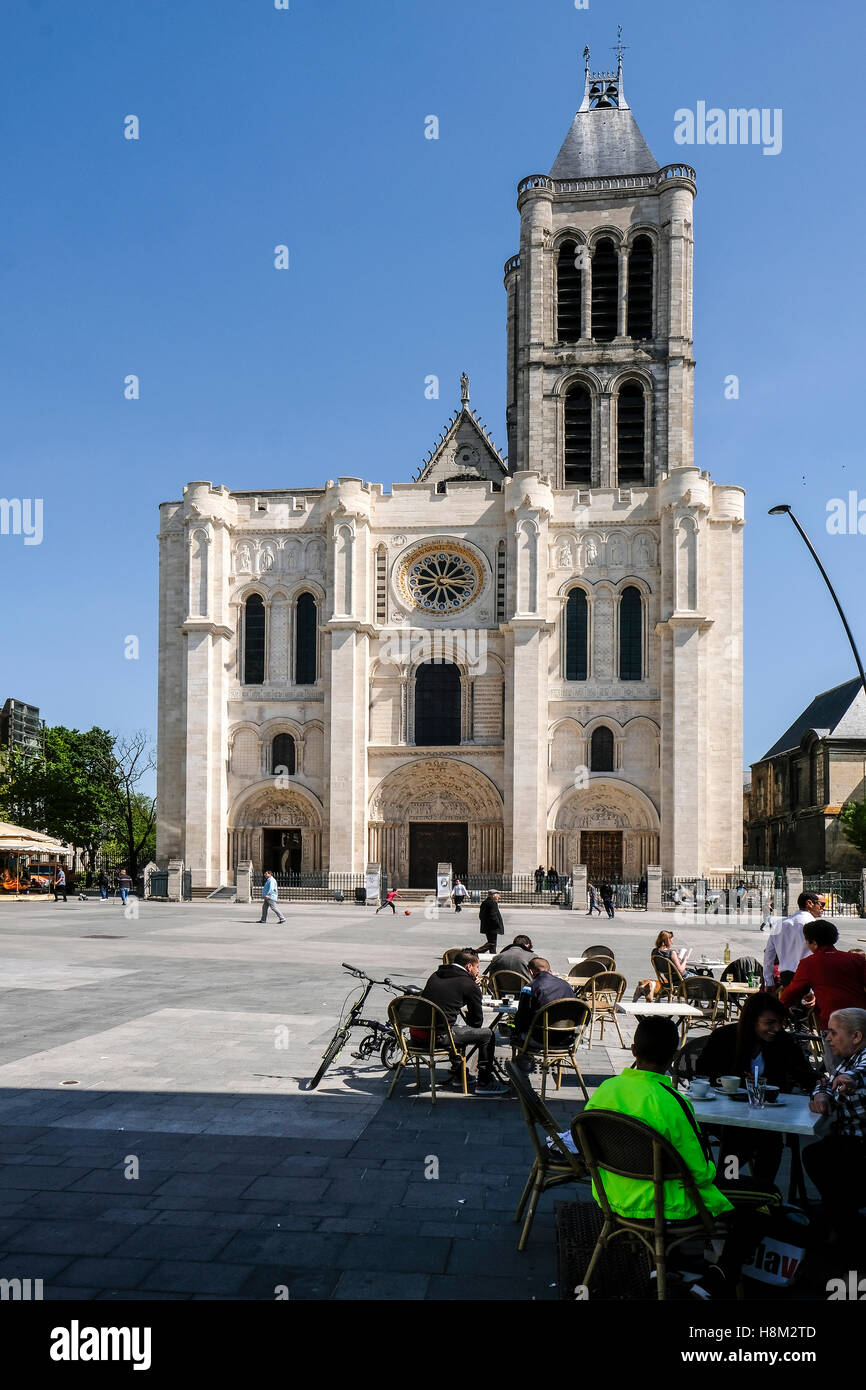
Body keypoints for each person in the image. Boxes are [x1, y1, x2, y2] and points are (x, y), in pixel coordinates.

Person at [584, 1016, 776, 1298]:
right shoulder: (674, 1102)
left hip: (613, 1195)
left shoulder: (606, 1090)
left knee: (669, 1177)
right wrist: (722, 1171)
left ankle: (659, 1268)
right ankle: (719, 1276)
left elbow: (584, 1141)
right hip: (666, 1205)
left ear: (634, 1051)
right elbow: (701, 1173)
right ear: (674, 1057)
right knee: (768, 1197)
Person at [696, 993, 816, 1183]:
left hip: (768, 1114)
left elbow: (806, 1075)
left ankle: (761, 1190)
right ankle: (731, 1183)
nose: (776, 1028)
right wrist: (730, 1081)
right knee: (737, 1139)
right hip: (727, 1114)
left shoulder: (783, 1042)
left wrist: (823, 1086)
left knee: (769, 1142)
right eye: (769, 1023)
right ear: (752, 1020)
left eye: (780, 1023)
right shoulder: (725, 1037)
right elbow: (703, 1070)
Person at [803, 1007, 866, 1249]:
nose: (827, 1038)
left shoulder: (861, 1061)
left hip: (859, 1145)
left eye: (833, 1032)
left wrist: (852, 1081)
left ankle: (844, 1225)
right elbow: (825, 1083)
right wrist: (820, 1095)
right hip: (848, 1140)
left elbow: (859, 1075)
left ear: (856, 1037)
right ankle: (843, 1221)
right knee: (817, 1155)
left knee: (818, 1157)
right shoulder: (849, 1059)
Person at [416, 948, 507, 1095]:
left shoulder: (435, 975)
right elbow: (476, 1023)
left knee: (456, 1028)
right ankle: (484, 1082)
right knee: (487, 1035)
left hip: (416, 1034)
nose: (478, 971)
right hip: (438, 1037)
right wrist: (474, 989)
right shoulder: (468, 984)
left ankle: (460, 1074)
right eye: (477, 967)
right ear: (469, 966)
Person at [781, 920, 866, 1029]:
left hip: (833, 1022)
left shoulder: (809, 963)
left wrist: (780, 1009)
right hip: (861, 1018)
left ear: (814, 942)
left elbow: (792, 992)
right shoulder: (856, 959)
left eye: (806, 940)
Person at [513, 957, 579, 1069]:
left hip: (541, 1039)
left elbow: (522, 1018)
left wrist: (516, 1030)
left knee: (517, 1036)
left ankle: (521, 1076)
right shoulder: (567, 986)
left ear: (531, 972)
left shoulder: (529, 988)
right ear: (550, 971)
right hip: (567, 1039)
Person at [762, 890, 824, 987]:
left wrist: (768, 981)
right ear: (810, 903)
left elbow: (769, 955)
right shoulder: (814, 926)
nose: (823, 908)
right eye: (822, 904)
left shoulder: (779, 924)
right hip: (808, 978)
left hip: (786, 977)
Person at [477, 890, 504, 954]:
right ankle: (477, 951)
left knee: (491, 942)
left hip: (487, 926)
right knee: (492, 943)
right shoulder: (492, 903)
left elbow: (481, 915)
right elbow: (493, 915)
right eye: (498, 894)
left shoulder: (484, 902)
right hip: (492, 927)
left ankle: (492, 954)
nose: (499, 896)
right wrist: (497, 924)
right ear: (493, 895)